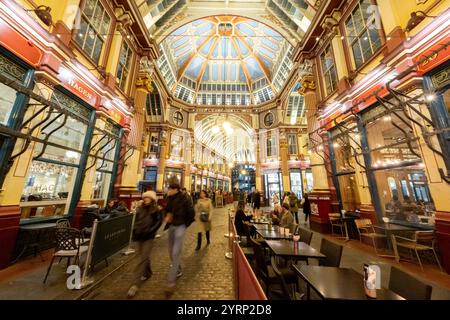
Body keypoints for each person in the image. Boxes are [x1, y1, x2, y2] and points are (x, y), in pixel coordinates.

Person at [127, 191, 163, 298]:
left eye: (148, 197)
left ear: (152, 199)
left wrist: (151, 231)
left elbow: (159, 222)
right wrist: (134, 232)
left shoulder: (157, 209)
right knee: (144, 256)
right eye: (145, 197)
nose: (146, 199)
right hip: (139, 236)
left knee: (141, 259)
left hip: (149, 237)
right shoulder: (140, 208)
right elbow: (137, 221)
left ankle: (134, 284)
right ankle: (148, 272)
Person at [164, 182, 195, 297]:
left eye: (170, 189)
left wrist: (185, 224)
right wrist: (166, 216)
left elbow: (191, 213)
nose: (168, 191)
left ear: (175, 189)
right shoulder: (170, 198)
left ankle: (170, 282)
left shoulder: (185, 198)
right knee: (171, 251)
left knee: (176, 252)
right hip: (171, 226)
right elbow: (166, 210)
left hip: (180, 227)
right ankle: (178, 268)